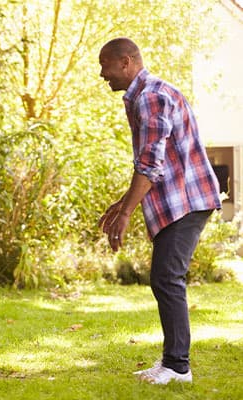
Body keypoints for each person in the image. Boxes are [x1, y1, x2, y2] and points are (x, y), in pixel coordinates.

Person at [97, 38, 221, 384]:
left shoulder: (151, 96)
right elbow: (148, 163)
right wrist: (122, 204)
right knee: (165, 278)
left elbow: (151, 164)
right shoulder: (143, 96)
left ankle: (178, 367)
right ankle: (171, 362)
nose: (102, 73)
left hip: (188, 199)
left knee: (167, 278)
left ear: (126, 62)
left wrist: (125, 214)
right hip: (178, 199)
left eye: (105, 64)